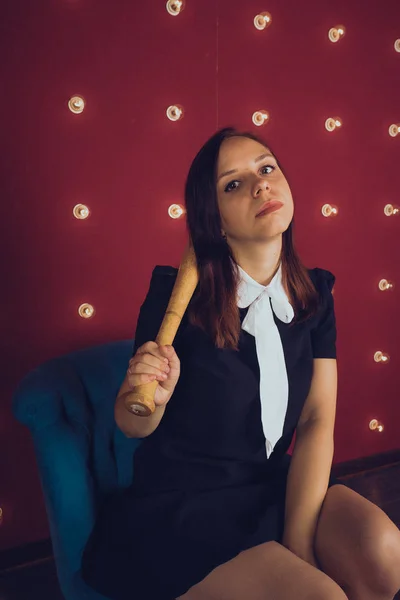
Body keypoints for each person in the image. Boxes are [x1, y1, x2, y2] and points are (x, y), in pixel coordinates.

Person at [81, 127, 348, 600]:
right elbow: (132, 424)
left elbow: (315, 420)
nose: (260, 184)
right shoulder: (175, 300)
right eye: (233, 184)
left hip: (268, 485)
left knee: (386, 553)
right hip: (184, 507)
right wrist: (149, 399)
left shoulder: (316, 295)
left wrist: (299, 541)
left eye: (266, 168)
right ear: (216, 220)